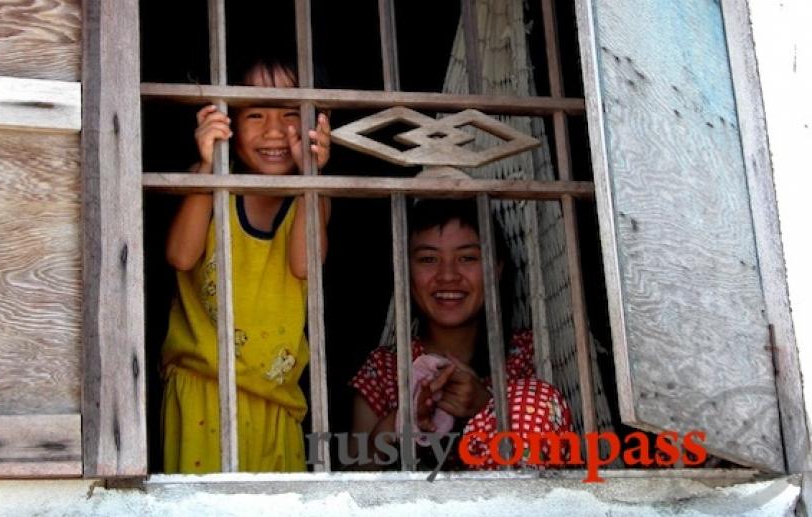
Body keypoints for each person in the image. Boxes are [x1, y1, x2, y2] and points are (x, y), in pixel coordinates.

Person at [161, 57, 331, 473]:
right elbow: (181, 256)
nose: (274, 131)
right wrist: (208, 168)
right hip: (204, 388)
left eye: (290, 114)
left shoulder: (314, 198)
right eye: (255, 113)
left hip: (277, 398)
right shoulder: (208, 186)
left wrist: (312, 178)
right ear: (228, 124)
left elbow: (304, 265)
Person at [349, 198, 572, 470]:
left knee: (531, 398)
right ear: (405, 273)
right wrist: (403, 420)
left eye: (467, 258)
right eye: (428, 259)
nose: (448, 275)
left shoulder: (533, 353)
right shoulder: (384, 369)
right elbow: (354, 479)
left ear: (496, 269)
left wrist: (486, 405)